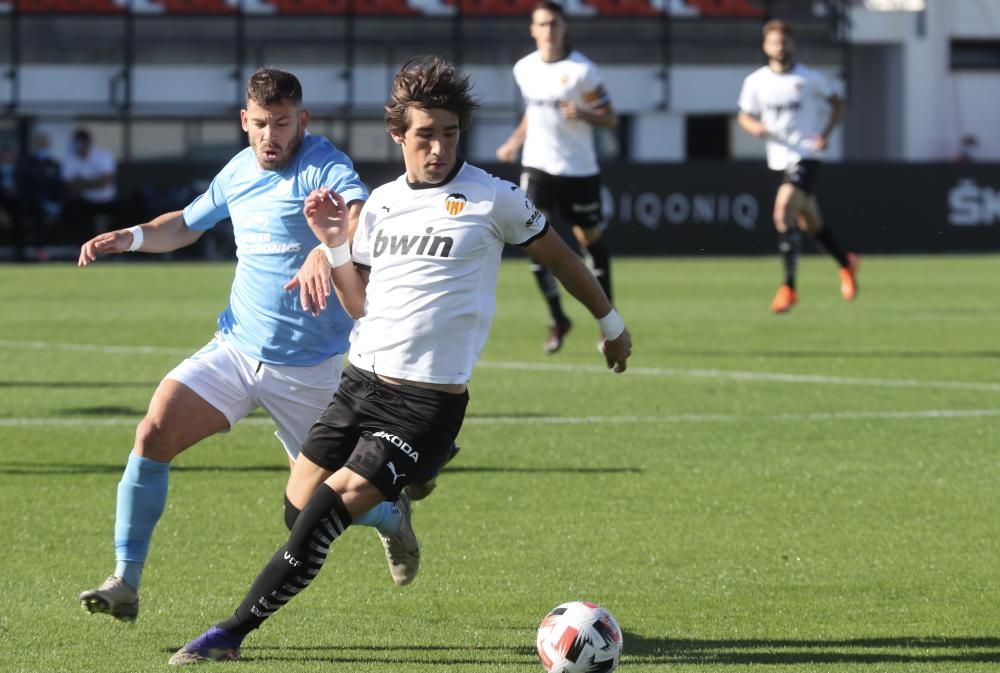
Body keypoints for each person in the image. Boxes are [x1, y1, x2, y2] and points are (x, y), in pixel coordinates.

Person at [168, 55, 632, 666]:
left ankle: (228, 633)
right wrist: (335, 245)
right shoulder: (381, 206)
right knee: (297, 508)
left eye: (448, 133)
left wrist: (610, 322)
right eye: (423, 135)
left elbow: (563, 257)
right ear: (399, 136)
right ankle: (401, 505)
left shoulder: (494, 199)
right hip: (358, 384)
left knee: (323, 517)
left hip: (425, 405)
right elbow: (359, 305)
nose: (437, 147)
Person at [76, 68, 425, 625]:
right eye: (261, 124)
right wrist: (134, 237)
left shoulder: (323, 163)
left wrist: (328, 247)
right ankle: (125, 580)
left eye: (282, 123)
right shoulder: (239, 170)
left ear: (302, 121)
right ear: (245, 121)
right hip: (236, 351)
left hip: (309, 370)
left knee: (318, 507)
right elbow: (186, 225)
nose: (271, 136)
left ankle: (391, 518)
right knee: (153, 429)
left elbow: (358, 216)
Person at [496, 0, 618, 353]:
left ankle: (607, 319)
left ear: (564, 28)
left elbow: (609, 117)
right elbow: (534, 112)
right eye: (542, 24)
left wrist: (584, 113)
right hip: (537, 165)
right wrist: (514, 142)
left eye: (554, 24)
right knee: (531, 238)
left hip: (578, 169)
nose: (548, 31)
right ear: (533, 30)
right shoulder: (525, 68)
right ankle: (558, 318)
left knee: (589, 241)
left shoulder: (583, 72)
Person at [737, 18, 858, 314]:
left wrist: (825, 135)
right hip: (778, 157)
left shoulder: (809, 79)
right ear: (765, 46)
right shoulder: (755, 81)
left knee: (782, 213)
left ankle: (788, 288)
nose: (780, 47)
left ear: (792, 44)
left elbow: (838, 104)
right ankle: (846, 262)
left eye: (784, 42)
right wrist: (754, 127)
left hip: (806, 155)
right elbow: (744, 115)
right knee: (809, 222)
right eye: (774, 42)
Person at [62, 127, 119, 240]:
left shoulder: (103, 155)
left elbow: (106, 180)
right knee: (73, 214)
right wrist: (95, 182)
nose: (78, 146)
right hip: (85, 202)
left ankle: (115, 252)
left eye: (80, 143)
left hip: (107, 200)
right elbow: (68, 184)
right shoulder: (71, 158)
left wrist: (82, 183)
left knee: (122, 218)